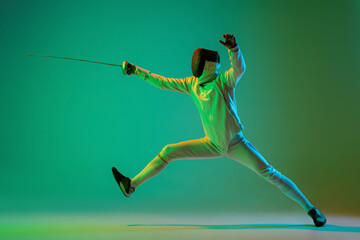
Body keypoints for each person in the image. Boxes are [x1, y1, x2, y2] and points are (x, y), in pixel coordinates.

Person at [112, 34, 327, 227]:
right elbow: (163, 83)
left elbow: (239, 70)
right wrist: (136, 71)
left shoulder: (223, 81)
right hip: (212, 143)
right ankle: (131, 185)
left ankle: (311, 210)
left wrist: (234, 50)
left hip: (235, 143)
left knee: (271, 174)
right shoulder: (192, 84)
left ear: (207, 65)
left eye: (199, 62)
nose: (195, 66)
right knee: (168, 151)